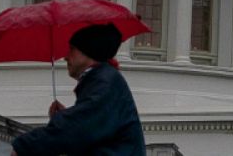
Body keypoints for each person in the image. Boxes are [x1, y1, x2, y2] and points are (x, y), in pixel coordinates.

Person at [10, 23, 146, 156]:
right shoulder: (103, 80)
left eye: (72, 49)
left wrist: (24, 146)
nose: (65, 57)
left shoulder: (104, 82)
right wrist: (67, 115)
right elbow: (87, 126)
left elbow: (76, 128)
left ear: (88, 51)